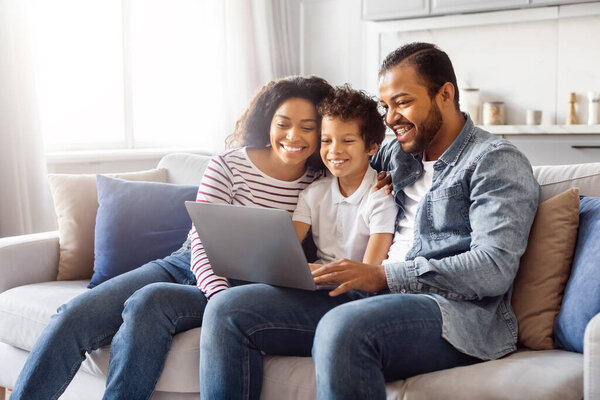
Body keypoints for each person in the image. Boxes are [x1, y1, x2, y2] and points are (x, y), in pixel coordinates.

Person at [199, 42, 540, 400]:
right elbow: (338, 156)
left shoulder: (494, 161)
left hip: (452, 312)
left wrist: (381, 275)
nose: (391, 118)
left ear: (445, 94)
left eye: (403, 102)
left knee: (343, 327)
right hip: (367, 294)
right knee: (228, 310)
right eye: (386, 106)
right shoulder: (395, 151)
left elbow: (493, 267)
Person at [10, 75, 333, 400]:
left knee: (148, 303)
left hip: (249, 286)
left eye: (308, 127)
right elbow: (203, 245)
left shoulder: (323, 179)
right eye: (284, 123)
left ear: (323, 129)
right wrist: (218, 294)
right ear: (268, 122)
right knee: (73, 316)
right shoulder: (229, 166)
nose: (294, 136)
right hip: (190, 262)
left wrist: (384, 182)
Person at [293, 84, 396, 270]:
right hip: (315, 282)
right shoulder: (312, 194)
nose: (335, 150)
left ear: (372, 147)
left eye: (348, 141)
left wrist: (303, 270)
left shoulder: (381, 194)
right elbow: (285, 253)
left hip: (358, 289)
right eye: (326, 141)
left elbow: (369, 271)